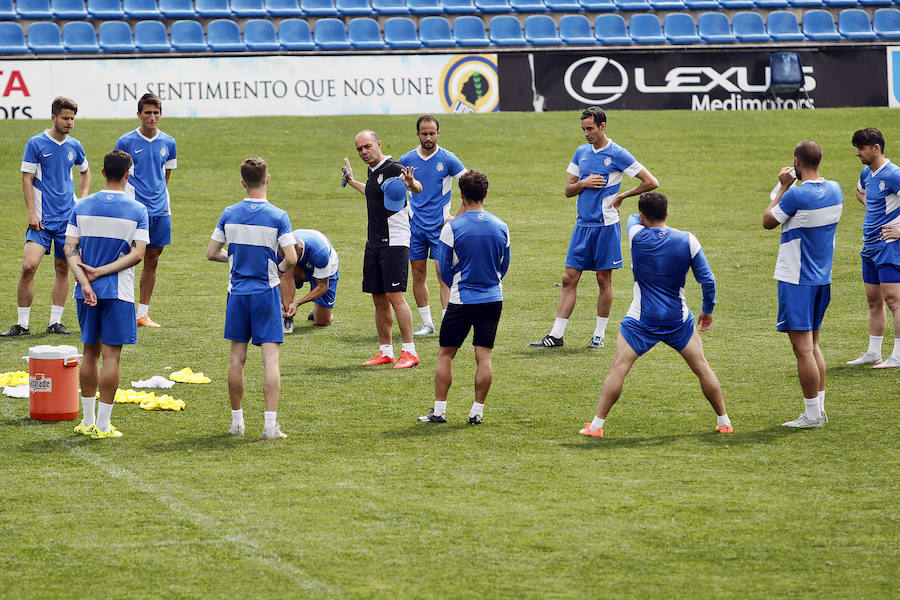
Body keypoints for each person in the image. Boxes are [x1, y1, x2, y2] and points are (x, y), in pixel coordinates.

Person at [578, 192, 732, 438]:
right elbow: (708, 280)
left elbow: (630, 218)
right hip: (677, 321)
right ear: (667, 214)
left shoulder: (636, 234)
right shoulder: (688, 240)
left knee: (619, 369)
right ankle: (724, 421)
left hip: (642, 321)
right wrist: (707, 310)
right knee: (702, 367)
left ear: (642, 216)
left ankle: (596, 426)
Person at [531, 106, 658, 350]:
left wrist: (622, 196)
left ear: (602, 126)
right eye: (583, 129)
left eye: (590, 128)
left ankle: (599, 336)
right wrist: (584, 183)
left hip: (606, 227)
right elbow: (567, 190)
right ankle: (556, 335)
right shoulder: (581, 152)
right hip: (582, 226)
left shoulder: (618, 153)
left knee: (603, 280)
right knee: (569, 278)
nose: (586, 133)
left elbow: (651, 182)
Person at [207, 158, 297, 440]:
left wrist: (231, 259)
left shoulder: (229, 213)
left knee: (237, 359)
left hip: (237, 293)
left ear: (243, 182)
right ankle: (269, 427)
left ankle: (237, 423)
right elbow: (292, 258)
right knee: (271, 362)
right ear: (267, 179)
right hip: (265, 293)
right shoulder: (278, 216)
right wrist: (278, 270)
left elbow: (212, 252)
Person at [67, 150, 148, 439]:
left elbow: (70, 249)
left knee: (89, 353)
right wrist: (102, 272)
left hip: (84, 291)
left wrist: (85, 282)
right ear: (129, 174)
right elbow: (138, 254)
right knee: (111, 357)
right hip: (119, 293)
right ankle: (103, 426)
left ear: (102, 172)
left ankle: (86, 420)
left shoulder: (82, 205)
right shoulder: (138, 210)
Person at [418, 170, 510, 425]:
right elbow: (505, 265)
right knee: (484, 356)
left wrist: (455, 283)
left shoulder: (452, 228)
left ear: (461, 195)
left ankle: (439, 411)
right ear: (486, 194)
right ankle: (477, 412)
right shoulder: (501, 226)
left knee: (446, 354)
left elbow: (443, 268)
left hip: (461, 299)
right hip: (493, 299)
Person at [763, 141, 843, 429]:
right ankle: (818, 410)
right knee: (814, 345)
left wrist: (783, 186)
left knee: (803, 350)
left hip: (797, 280)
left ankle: (811, 416)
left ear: (796, 161)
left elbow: (767, 221)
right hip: (822, 278)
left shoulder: (796, 195)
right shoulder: (835, 189)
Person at [2, 96, 90, 337]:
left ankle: (55, 322)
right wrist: (31, 212)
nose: (69, 122)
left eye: (72, 118)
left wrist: (82, 198)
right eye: (65, 118)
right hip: (40, 221)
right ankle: (22, 324)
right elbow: (27, 179)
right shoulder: (36, 143)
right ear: (53, 117)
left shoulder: (75, 145)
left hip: (67, 221)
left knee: (63, 268)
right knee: (29, 266)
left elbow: (85, 170)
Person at [342, 129, 423, 369]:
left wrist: (411, 184)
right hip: (374, 242)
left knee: (395, 297)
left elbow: (416, 187)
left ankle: (410, 351)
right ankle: (386, 351)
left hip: (395, 242)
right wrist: (351, 181)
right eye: (359, 149)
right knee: (378, 299)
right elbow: (373, 193)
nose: (363, 152)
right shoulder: (373, 171)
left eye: (367, 147)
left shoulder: (394, 169)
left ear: (378, 144)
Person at [398, 115, 467, 336]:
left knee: (443, 274)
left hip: (440, 228)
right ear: (417, 134)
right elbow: (396, 192)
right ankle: (427, 323)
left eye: (432, 133)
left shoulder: (448, 159)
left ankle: (448, 321)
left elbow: (469, 186)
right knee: (418, 274)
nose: (428, 137)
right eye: (424, 133)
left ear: (438, 133)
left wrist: (456, 218)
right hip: (415, 228)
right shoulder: (406, 159)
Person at [115, 92, 177, 329]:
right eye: (147, 113)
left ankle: (142, 314)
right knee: (125, 259)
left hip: (160, 211)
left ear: (160, 114)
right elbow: (119, 176)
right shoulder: (126, 142)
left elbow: (166, 175)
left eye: (156, 113)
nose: (152, 117)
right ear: (139, 114)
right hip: (133, 211)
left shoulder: (169, 142)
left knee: (152, 260)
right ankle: (122, 310)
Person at [846, 128, 900, 368]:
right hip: (869, 246)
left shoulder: (893, 174)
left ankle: (898, 355)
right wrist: (871, 204)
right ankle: (874, 352)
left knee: (894, 301)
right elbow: (859, 191)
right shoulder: (867, 173)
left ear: (876, 148)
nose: (857, 153)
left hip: (888, 246)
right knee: (873, 300)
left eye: (861, 148)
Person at [280, 228, 339, 331]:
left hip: (323, 269)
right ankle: (288, 317)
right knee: (287, 270)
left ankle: (318, 311)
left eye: (293, 256)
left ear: (301, 249)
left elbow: (323, 286)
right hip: (301, 267)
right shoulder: (282, 249)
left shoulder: (320, 253)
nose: (289, 258)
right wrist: (278, 301)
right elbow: (273, 277)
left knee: (322, 321)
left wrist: (298, 303)